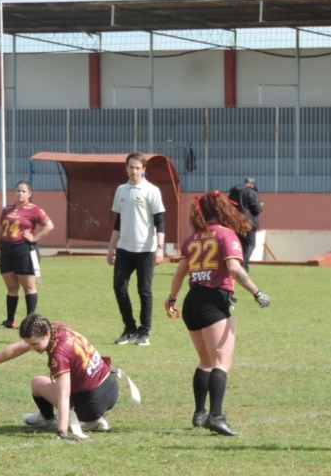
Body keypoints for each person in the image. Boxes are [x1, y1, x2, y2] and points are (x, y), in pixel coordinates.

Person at [166, 190, 271, 436]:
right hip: (213, 300)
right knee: (222, 362)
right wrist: (257, 292)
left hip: (192, 301)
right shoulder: (226, 234)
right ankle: (216, 416)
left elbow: (180, 272)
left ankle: (200, 413)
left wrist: (172, 298)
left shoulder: (192, 239)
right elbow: (234, 268)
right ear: (223, 209)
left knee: (205, 360)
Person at [0, 313, 119, 441]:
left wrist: (62, 431)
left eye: (34, 344)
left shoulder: (58, 354)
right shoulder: (57, 329)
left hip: (92, 404)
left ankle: (51, 420)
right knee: (61, 385)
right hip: (111, 388)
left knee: (38, 382)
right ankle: (95, 420)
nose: (31, 348)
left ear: (46, 334)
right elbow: (17, 348)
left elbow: (64, 394)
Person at [107, 152, 166, 347]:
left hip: (146, 249)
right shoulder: (121, 190)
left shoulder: (152, 190)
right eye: (131, 167)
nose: (134, 171)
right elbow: (118, 221)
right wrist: (111, 247)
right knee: (119, 287)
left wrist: (160, 247)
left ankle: (144, 332)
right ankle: (130, 328)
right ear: (126, 168)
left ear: (143, 170)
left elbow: (160, 221)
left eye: (138, 168)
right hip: (124, 248)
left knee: (144, 291)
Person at [0, 180, 54, 329]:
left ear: (29, 194)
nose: (20, 193)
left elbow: (49, 226)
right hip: (6, 250)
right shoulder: (7, 209)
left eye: (24, 191)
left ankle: (30, 322)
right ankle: (9, 321)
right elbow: (0, 230)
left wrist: (34, 238)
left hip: (24, 250)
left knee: (29, 288)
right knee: (11, 288)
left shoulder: (34, 209)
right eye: (18, 190)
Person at [228, 177, 263, 272]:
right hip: (249, 222)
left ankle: (238, 264)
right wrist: (260, 207)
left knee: (240, 244)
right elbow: (256, 208)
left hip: (236, 222)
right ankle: (244, 265)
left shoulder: (232, 193)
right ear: (252, 184)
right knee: (250, 244)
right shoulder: (252, 192)